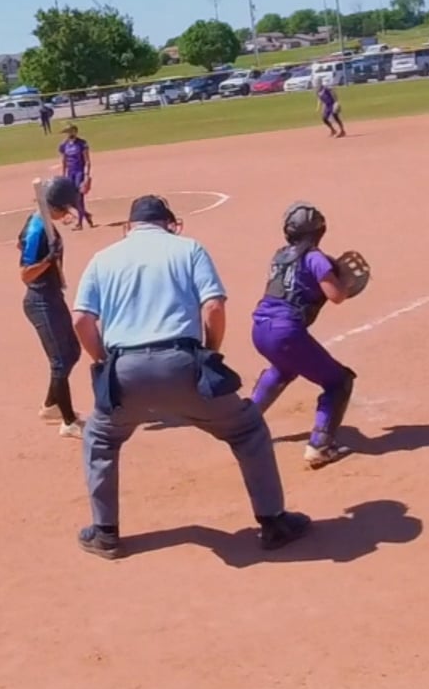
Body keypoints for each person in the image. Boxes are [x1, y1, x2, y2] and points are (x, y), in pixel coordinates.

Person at [70, 195, 311, 560]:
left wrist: (104, 360)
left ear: (129, 226)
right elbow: (213, 306)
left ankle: (105, 533)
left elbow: (81, 320)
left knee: (100, 438)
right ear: (168, 223)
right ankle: (274, 522)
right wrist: (210, 354)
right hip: (182, 364)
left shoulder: (103, 258)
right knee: (247, 429)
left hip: (124, 371)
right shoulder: (189, 248)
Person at [248, 203, 358, 469]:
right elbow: (336, 295)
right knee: (339, 381)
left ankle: (244, 423)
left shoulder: (280, 256)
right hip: (286, 333)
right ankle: (320, 446)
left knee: (284, 368)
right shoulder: (315, 258)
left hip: (260, 329)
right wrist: (345, 282)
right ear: (319, 231)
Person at [20, 177, 87, 439]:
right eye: (66, 207)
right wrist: (49, 259)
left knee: (72, 352)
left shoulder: (42, 224)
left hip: (52, 296)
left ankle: (51, 406)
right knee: (60, 361)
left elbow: (21, 245)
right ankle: (68, 422)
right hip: (40, 300)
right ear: (55, 206)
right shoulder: (37, 229)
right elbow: (25, 274)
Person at [58, 125, 95, 230]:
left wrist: (86, 175)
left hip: (79, 173)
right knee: (71, 199)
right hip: (70, 174)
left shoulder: (82, 144)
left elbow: (87, 161)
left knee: (79, 198)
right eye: (67, 132)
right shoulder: (64, 145)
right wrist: (63, 175)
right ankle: (86, 214)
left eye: (70, 131)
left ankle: (80, 223)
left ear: (75, 131)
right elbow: (64, 161)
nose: (68, 134)